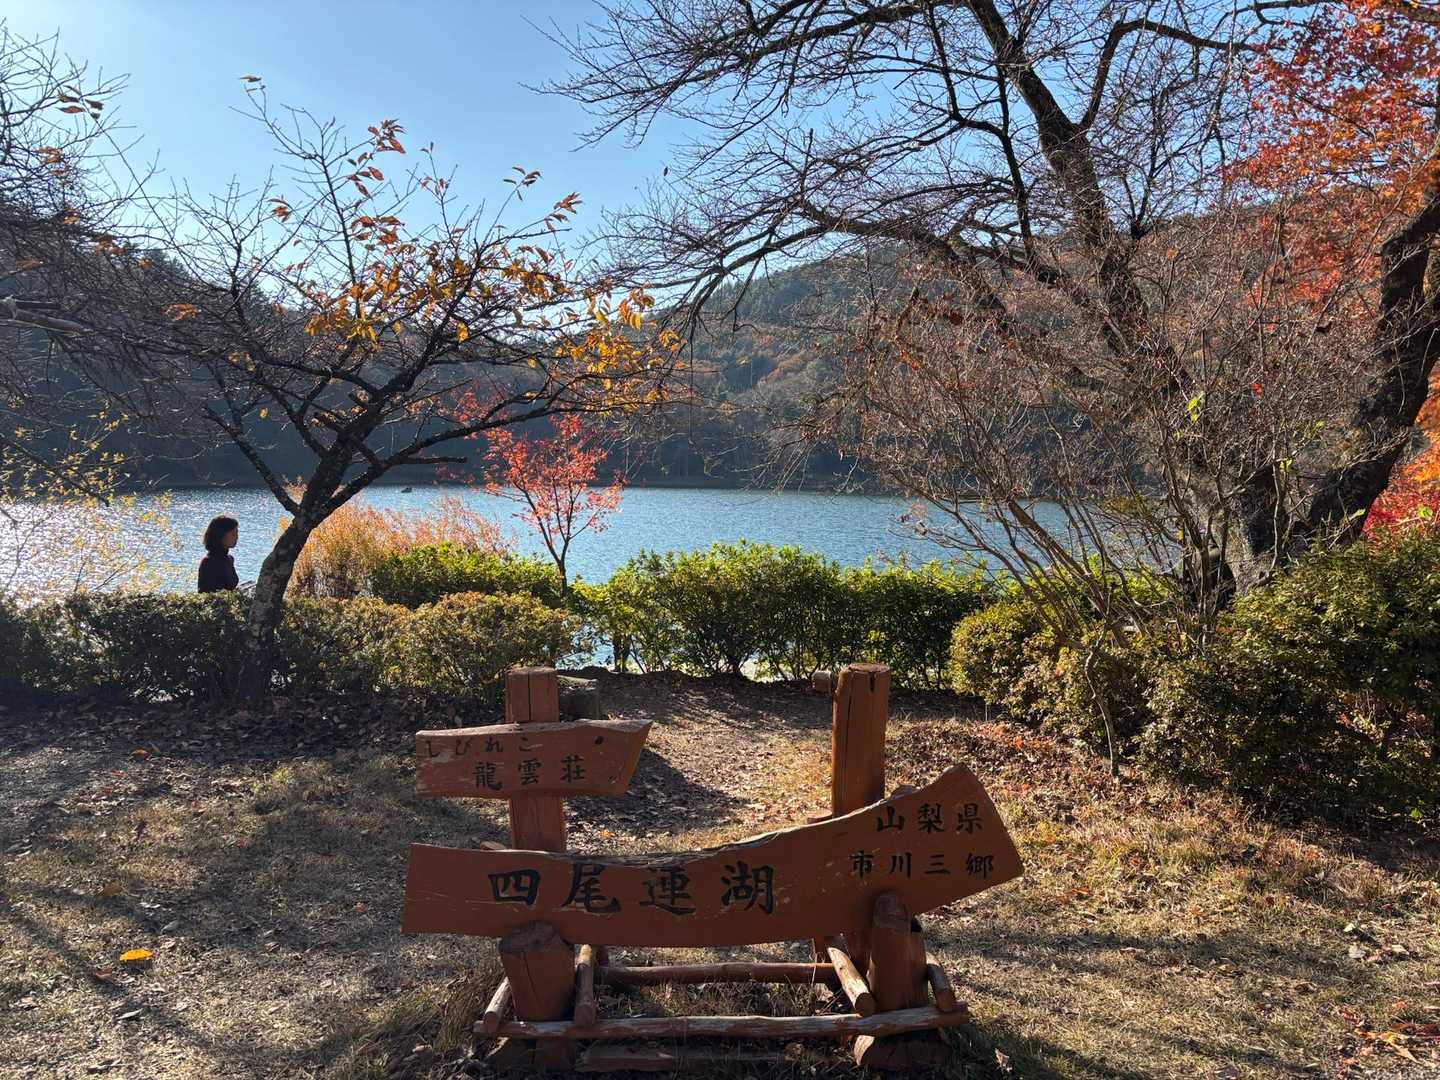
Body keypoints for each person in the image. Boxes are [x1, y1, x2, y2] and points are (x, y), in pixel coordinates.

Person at [198, 515, 240, 593]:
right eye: (233, 534)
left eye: (237, 533)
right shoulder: (208, 562)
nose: (237, 537)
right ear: (221, 535)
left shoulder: (229, 559)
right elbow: (205, 594)